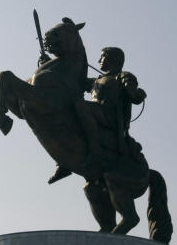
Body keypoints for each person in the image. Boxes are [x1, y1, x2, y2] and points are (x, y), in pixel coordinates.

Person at [47, 46, 147, 184]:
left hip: (110, 118)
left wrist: (137, 94)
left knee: (79, 104)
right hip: (95, 114)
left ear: (113, 59)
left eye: (103, 56)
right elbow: (75, 81)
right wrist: (50, 64)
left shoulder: (123, 76)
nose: (99, 60)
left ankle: (95, 150)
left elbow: (134, 94)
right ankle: (63, 162)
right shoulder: (97, 80)